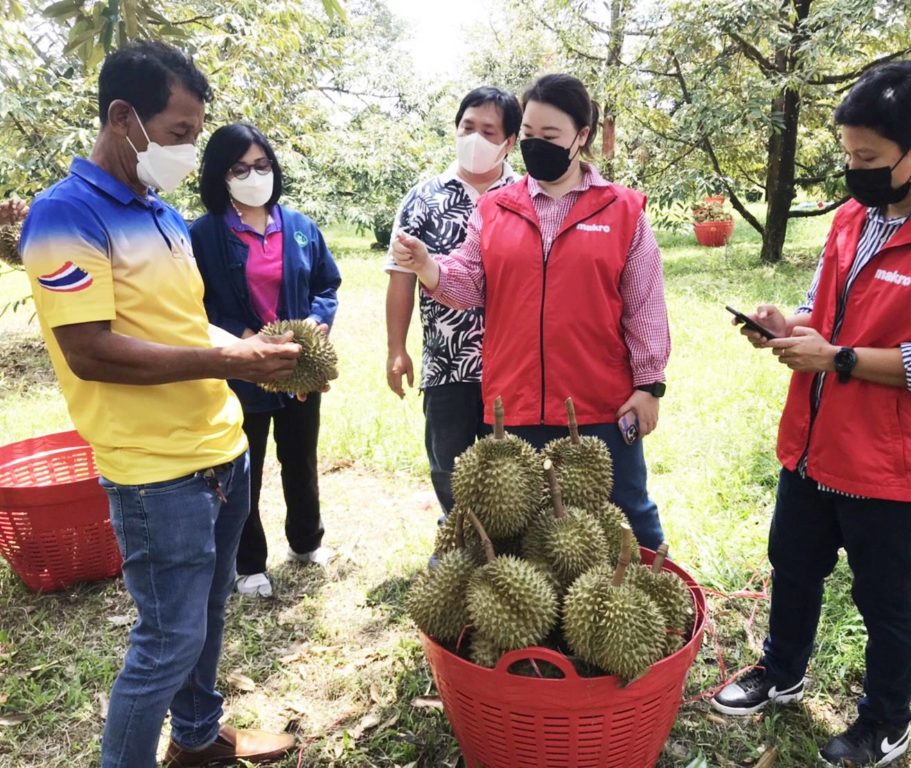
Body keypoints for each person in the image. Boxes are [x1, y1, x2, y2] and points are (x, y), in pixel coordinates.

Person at [711, 59, 911, 767]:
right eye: (848, 155)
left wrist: (839, 358)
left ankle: (884, 722)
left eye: (869, 159)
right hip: (818, 441)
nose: (855, 172)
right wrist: (784, 325)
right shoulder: (853, 217)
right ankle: (781, 671)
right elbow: (822, 312)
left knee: (886, 598)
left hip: (895, 461)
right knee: (793, 562)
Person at [19, 42, 301, 768]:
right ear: (124, 118)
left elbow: (179, 325)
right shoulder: (65, 215)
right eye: (179, 133)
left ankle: (200, 743)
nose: (188, 150)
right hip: (155, 471)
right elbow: (91, 349)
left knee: (206, 617)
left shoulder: (159, 212)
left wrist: (248, 352)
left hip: (219, 449)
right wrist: (225, 359)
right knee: (164, 642)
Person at [391, 73, 670, 550]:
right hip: (515, 403)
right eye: (530, 137)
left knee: (627, 516)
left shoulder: (622, 211)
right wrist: (429, 268)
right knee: (528, 533)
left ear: (582, 136)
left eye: (552, 136)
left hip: (600, 402)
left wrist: (649, 386)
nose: (537, 146)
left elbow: (645, 305)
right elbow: (469, 283)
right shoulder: (496, 208)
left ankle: (661, 613)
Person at [191, 123, 342, 598]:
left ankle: (306, 542)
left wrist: (318, 320)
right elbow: (195, 300)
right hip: (242, 367)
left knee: (300, 457)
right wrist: (242, 337)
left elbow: (326, 283)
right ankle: (248, 562)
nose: (254, 175)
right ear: (220, 175)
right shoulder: (205, 234)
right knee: (244, 468)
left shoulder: (299, 228)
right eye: (240, 168)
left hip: (299, 362)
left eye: (262, 166)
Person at [385, 86, 521, 518]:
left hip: (516, 362)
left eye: (488, 130)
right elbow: (401, 278)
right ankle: (459, 538)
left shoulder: (526, 196)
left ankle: (507, 550)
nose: (475, 137)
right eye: (468, 127)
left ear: (509, 142)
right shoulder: (423, 199)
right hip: (447, 361)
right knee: (448, 464)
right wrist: (396, 348)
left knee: (513, 466)